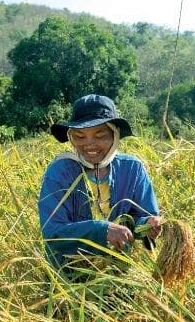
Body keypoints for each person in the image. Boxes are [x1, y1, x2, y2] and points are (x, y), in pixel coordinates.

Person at [38, 94, 162, 277]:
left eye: (100, 135)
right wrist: (103, 230)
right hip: (68, 276)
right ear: (71, 138)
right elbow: (53, 232)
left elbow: (141, 217)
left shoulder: (132, 168)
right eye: (80, 136)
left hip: (118, 274)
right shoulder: (60, 171)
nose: (89, 144)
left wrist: (148, 225)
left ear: (115, 135)